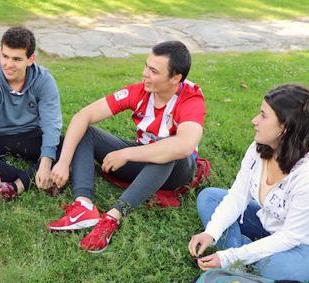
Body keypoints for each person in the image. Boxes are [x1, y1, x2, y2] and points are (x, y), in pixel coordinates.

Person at [48, 40, 206, 253]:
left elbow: (184, 145)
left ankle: (112, 217)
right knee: (87, 131)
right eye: (146, 66)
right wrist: (64, 162)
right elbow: (83, 115)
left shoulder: (191, 98)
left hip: (176, 170)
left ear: (175, 78)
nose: (145, 74)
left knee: (167, 147)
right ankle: (83, 206)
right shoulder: (140, 92)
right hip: (143, 160)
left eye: (153, 71)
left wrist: (127, 153)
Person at [189, 84, 309, 282]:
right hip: (269, 223)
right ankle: (242, 256)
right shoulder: (260, 147)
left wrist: (229, 257)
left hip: (308, 245)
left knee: (273, 267)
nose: (254, 121)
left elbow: (290, 236)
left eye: (263, 115)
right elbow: (237, 196)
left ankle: (240, 255)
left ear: (285, 127)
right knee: (209, 197)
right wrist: (212, 231)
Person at [0, 26, 63, 200]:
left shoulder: (44, 80)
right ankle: (34, 178)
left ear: (30, 59)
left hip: (32, 135)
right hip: (0, 137)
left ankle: (17, 186)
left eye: (16, 59)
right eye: (5, 56)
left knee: (68, 147)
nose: (8, 64)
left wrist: (45, 162)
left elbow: (51, 124)